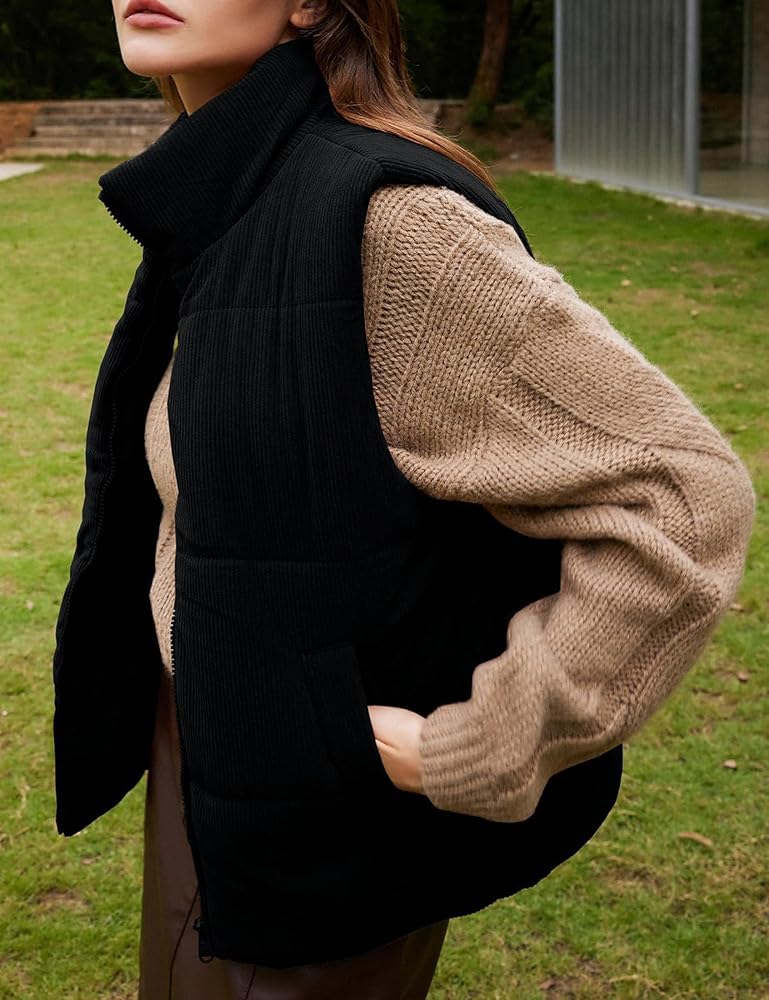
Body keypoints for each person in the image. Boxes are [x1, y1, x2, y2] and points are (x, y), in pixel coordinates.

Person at [50, 1, 756, 997]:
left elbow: (682, 491)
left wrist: (485, 744)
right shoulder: (229, 190)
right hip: (226, 762)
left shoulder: (389, 221)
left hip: (331, 829)